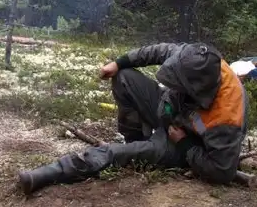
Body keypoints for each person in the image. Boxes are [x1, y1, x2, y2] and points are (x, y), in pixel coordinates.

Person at [18, 42, 247, 195]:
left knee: (115, 153)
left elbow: (222, 171)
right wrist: (119, 63)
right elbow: (157, 51)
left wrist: (184, 144)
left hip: (180, 141)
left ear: (195, 88)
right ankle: (136, 142)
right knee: (124, 76)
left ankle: (52, 172)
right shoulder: (194, 58)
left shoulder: (226, 117)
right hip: (171, 113)